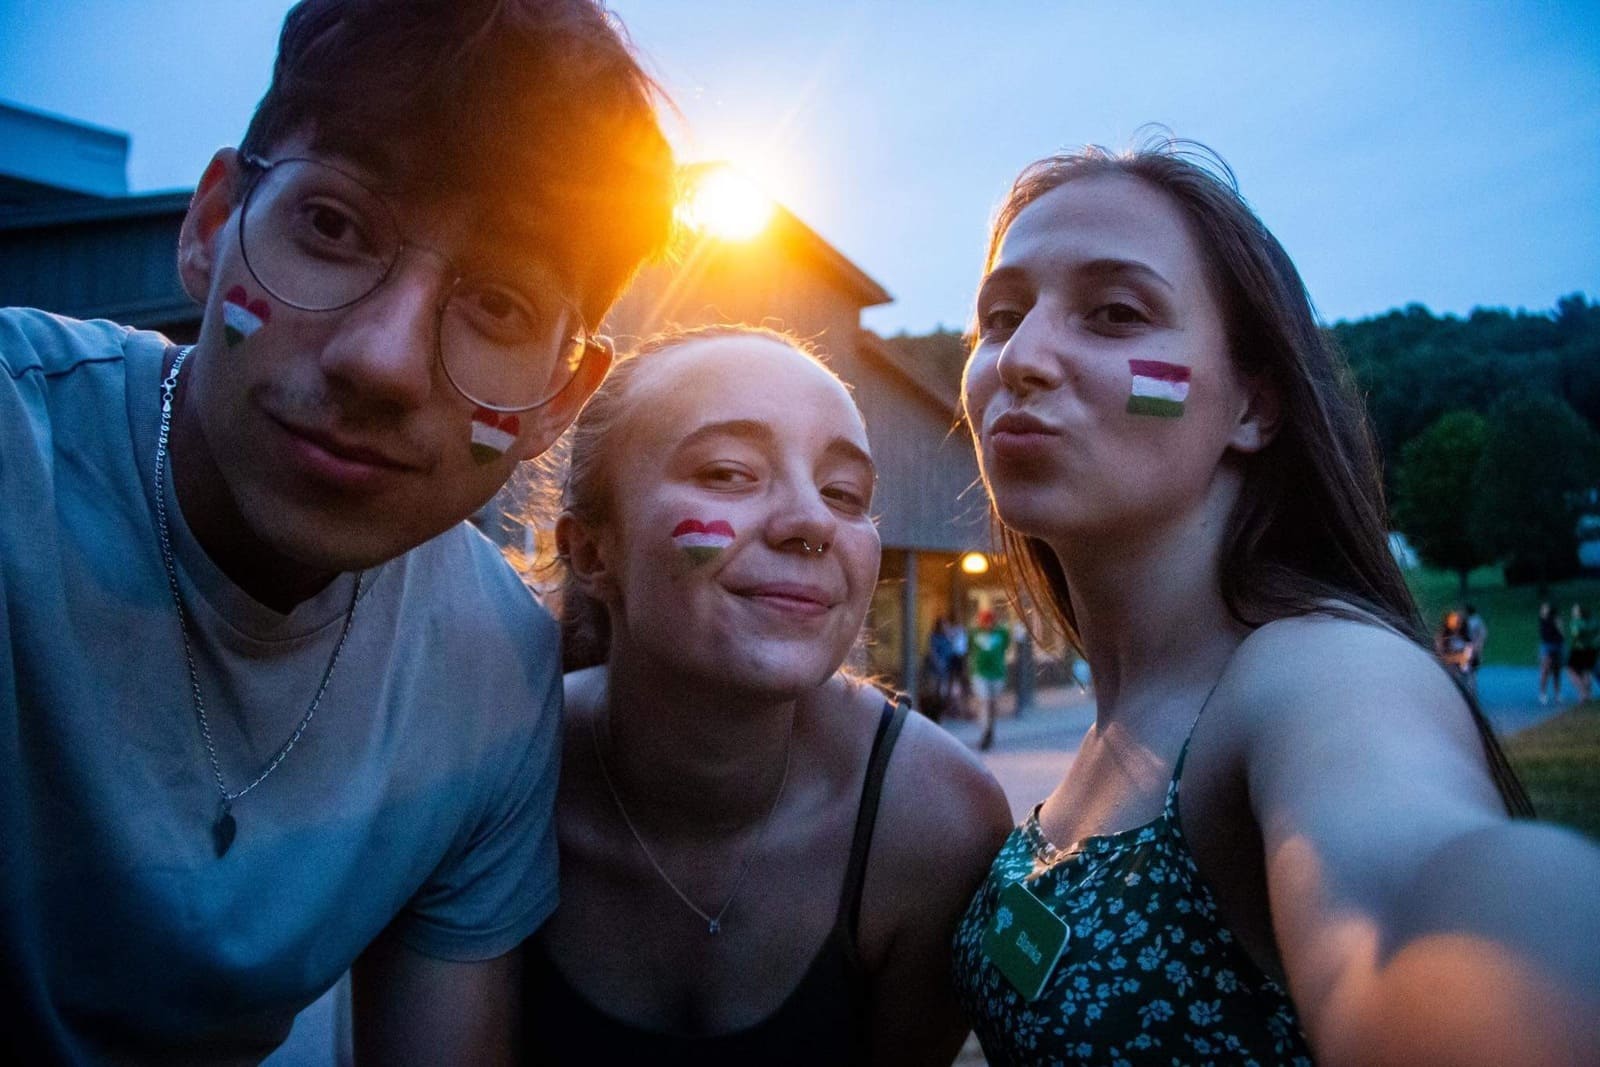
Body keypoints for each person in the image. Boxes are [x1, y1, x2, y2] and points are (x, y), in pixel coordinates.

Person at [0, 2, 675, 1061]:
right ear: (213, 222)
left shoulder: (496, 669)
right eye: (331, 225)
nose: (384, 359)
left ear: (561, 395)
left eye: (497, 302)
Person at [951, 140, 1600, 1065]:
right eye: (1000, 316)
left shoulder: (1322, 672)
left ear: (1253, 406)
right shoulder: (1120, 720)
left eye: (1114, 312)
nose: (1021, 357)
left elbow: (1417, 895)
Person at [522, 326, 1013, 1065]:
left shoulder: (935, 824)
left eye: (844, 492)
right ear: (592, 550)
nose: (814, 520)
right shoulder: (489, 776)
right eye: (728, 472)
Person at [971, 608, 1011, 750]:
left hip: (997, 673)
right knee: (985, 702)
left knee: (992, 704)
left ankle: (990, 728)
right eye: (985, 621)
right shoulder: (974, 633)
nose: (988, 624)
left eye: (990, 621)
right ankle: (985, 732)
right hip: (980, 673)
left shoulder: (1001, 633)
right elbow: (969, 649)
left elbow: (1006, 645)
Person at [1565, 603, 1597, 703]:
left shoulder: (1576, 622)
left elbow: (1576, 634)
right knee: (1586, 671)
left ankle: (1582, 693)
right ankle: (1588, 694)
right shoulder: (1590, 621)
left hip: (1579, 650)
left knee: (1570, 671)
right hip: (1591, 649)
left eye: (1574, 610)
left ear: (1579, 612)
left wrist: (1576, 634)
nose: (1572, 611)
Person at [1538, 600, 1566, 705]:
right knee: (1545, 670)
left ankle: (1557, 693)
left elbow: (1562, 632)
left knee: (1557, 671)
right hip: (1547, 646)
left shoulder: (1556, 618)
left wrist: (1560, 627)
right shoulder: (1542, 618)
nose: (1543, 610)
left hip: (1558, 645)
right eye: (1542, 608)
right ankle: (1542, 693)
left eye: (1545, 608)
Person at [1434, 609, 1472, 682]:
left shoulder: (1464, 635)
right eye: (1454, 620)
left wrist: (1465, 656)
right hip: (1448, 669)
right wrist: (1457, 658)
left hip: (1462, 669)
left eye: (1458, 620)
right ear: (1447, 621)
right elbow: (1440, 655)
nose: (1457, 622)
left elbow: (1469, 651)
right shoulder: (1442, 636)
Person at [1464, 600, 1488, 688]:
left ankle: (1470, 685)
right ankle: (1469, 684)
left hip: (1473, 646)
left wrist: (1478, 644)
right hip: (1470, 646)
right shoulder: (1472, 620)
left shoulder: (1475, 621)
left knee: (1470, 666)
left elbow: (1482, 634)